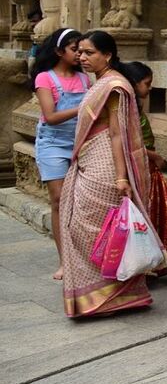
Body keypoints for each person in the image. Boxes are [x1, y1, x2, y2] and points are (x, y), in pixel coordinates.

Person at [62, 30, 161, 317]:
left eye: (89, 52)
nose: (82, 57)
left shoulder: (115, 85)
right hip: (90, 162)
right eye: (79, 52)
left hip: (105, 168)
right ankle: (100, 294)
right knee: (84, 229)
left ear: (107, 55)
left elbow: (118, 134)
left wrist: (121, 178)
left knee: (104, 231)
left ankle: (116, 295)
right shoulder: (101, 84)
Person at [120, 61, 167, 269]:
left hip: (147, 167)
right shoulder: (126, 107)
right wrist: (153, 155)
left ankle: (154, 262)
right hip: (140, 166)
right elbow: (126, 141)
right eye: (147, 83)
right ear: (134, 83)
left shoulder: (134, 105)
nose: (149, 89)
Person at [31, 28, 88, 280]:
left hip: (80, 143)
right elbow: (51, 116)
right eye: (75, 49)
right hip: (53, 144)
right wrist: (84, 106)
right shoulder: (45, 78)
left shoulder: (85, 79)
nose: (79, 54)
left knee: (80, 202)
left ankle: (82, 257)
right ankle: (65, 260)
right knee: (58, 201)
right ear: (58, 51)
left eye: (83, 50)